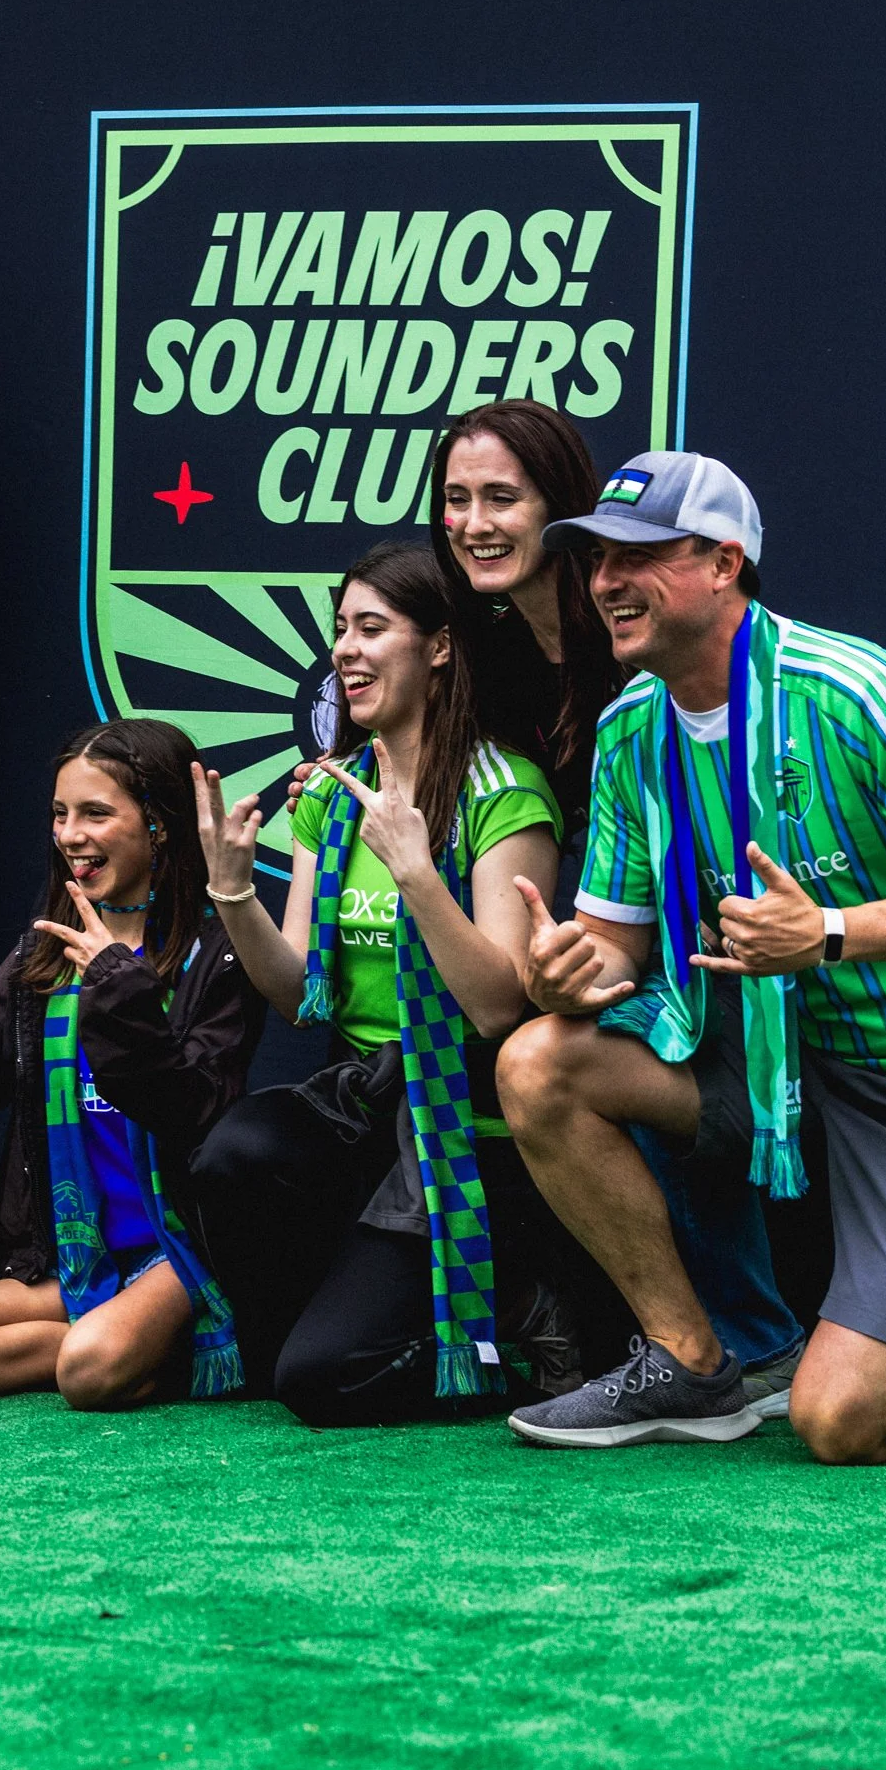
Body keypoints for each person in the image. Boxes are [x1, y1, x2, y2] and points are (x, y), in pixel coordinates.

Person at [496, 450, 886, 1462]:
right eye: (595, 560)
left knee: (840, 1421)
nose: (604, 582)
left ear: (722, 561)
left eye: (637, 556)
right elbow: (608, 952)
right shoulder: (628, 732)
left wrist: (824, 935)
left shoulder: (850, 690)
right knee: (537, 1060)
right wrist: (561, 971)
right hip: (783, 1060)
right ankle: (689, 1360)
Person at [432, 401, 807, 1406]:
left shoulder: (654, 648)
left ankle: (745, 1332)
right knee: (558, 1030)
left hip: (753, 972)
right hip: (613, 950)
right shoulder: (483, 647)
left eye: (502, 498)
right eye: (456, 499)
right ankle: (659, 1336)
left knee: (637, 1030)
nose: (475, 522)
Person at [191, 541, 573, 1427]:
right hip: (362, 1098)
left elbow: (496, 1004)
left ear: (439, 647)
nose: (345, 652)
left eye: (372, 628)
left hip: (462, 1125)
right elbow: (297, 996)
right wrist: (234, 890)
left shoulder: (502, 791)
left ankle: (516, 1327)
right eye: (339, 632)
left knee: (325, 1385)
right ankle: (305, 1344)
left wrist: (419, 875)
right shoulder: (332, 793)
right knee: (235, 1155)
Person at [0, 720, 265, 1407]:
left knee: (87, 1371)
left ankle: (137, 1339)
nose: (70, 835)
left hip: (180, 1252)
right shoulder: (44, 951)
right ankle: (128, 1342)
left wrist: (118, 985)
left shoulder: (221, 950)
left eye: (95, 813)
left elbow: (195, 1106)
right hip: (77, 1259)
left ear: (160, 826)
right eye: (60, 814)